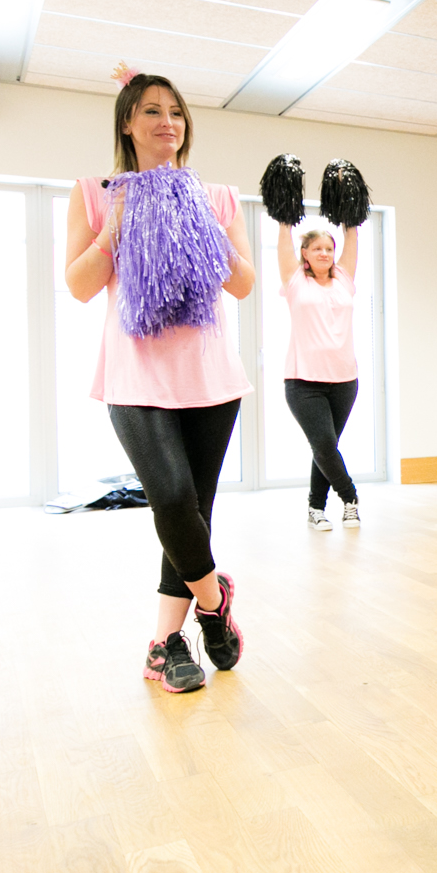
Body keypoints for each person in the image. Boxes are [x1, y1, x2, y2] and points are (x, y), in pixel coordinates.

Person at [64, 73, 256, 694]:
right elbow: (79, 285)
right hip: (134, 378)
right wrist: (114, 228)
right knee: (171, 499)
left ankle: (164, 644)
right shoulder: (95, 194)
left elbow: (243, 283)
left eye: (175, 111)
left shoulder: (217, 196)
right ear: (127, 123)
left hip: (210, 379)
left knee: (193, 514)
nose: (167, 122)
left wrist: (202, 222)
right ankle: (213, 603)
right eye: (151, 111)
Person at [279, 219, 363, 531]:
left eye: (329, 248)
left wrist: (350, 219)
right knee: (325, 444)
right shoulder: (295, 281)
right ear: (305, 253)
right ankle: (350, 497)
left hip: (344, 380)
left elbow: (352, 238)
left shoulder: (343, 279)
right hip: (303, 381)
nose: (324, 253)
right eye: (317, 248)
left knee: (325, 448)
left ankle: (316, 508)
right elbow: (284, 243)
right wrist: (283, 220)